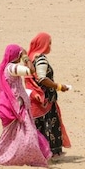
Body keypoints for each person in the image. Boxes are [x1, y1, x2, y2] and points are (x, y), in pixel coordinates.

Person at [0, 44, 51, 167]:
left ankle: (0, 157)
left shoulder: (2, 68)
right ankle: (2, 158)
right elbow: (31, 70)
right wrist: (25, 57)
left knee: (10, 135)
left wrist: (10, 88)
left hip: (5, 105)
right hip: (16, 107)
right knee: (28, 134)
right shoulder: (12, 68)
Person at [25, 32, 71, 161]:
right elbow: (42, 78)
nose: (50, 46)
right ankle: (50, 152)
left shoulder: (30, 58)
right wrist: (59, 86)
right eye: (49, 43)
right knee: (49, 125)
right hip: (45, 99)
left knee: (37, 125)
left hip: (33, 97)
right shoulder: (40, 59)